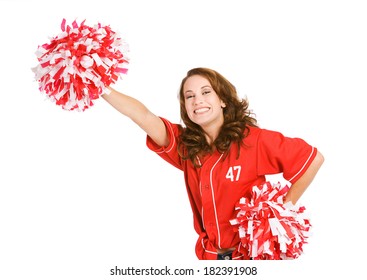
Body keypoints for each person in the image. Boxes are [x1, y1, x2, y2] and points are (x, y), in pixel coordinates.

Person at [102, 67, 324, 260]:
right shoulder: (187, 147)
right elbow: (143, 115)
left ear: (223, 100)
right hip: (209, 258)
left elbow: (313, 158)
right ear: (186, 107)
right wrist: (101, 87)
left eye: (206, 92)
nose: (197, 100)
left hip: (250, 259)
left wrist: (281, 211)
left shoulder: (253, 141)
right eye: (189, 96)